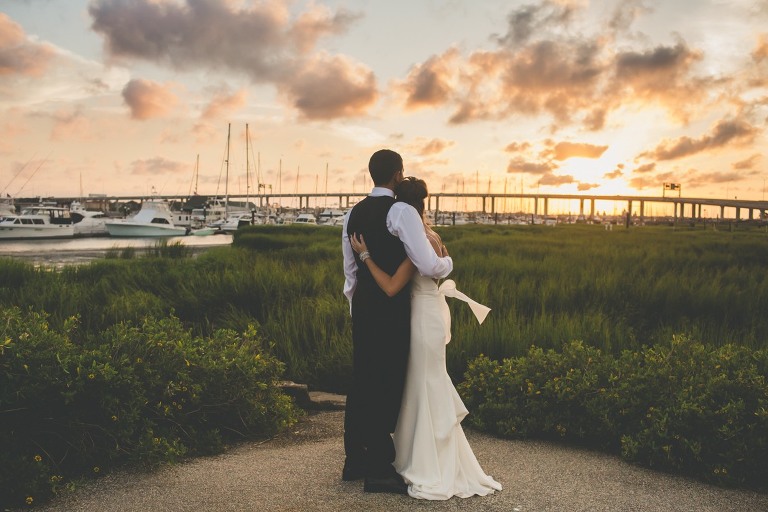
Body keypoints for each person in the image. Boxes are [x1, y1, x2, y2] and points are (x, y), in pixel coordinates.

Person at [349, 176, 502, 500]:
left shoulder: (416, 245)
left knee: (424, 384)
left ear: (403, 207)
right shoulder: (431, 235)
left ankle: (426, 461)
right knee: (427, 383)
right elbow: (439, 266)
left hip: (421, 318)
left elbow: (393, 285)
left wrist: (365, 257)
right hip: (428, 314)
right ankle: (428, 452)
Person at [342, 150, 453, 494]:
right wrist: (448, 263)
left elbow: (350, 272)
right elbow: (428, 265)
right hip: (390, 311)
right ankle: (378, 468)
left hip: (364, 307)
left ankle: (354, 460)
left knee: (362, 381)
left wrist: (356, 307)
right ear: (397, 174)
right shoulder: (402, 211)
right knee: (385, 382)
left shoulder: (352, 214)